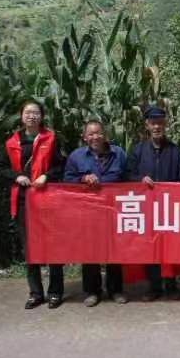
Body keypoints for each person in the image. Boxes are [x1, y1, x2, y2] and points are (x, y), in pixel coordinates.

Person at [1, 101, 65, 309]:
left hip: (48, 199)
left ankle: (55, 292)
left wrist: (47, 176)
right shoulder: (11, 142)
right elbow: (1, 167)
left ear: (42, 116)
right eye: (28, 112)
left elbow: (61, 165)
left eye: (36, 112)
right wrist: (17, 176)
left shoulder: (51, 138)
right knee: (29, 247)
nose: (32, 116)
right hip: (24, 200)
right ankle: (35, 293)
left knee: (53, 245)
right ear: (21, 116)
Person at [127, 106, 180, 301]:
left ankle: (171, 285)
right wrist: (140, 179)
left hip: (169, 208)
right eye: (153, 123)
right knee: (150, 247)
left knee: (170, 247)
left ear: (165, 125)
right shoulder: (138, 150)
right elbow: (127, 174)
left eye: (160, 123)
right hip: (146, 208)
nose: (157, 127)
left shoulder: (175, 150)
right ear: (147, 125)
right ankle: (154, 287)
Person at [64, 120, 130, 306]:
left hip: (113, 210)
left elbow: (128, 177)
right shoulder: (76, 156)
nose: (95, 137)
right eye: (91, 134)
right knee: (89, 252)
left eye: (98, 133)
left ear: (105, 135)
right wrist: (83, 178)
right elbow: (66, 180)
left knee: (114, 252)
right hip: (87, 212)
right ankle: (92, 291)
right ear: (84, 137)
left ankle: (115, 290)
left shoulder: (118, 154)